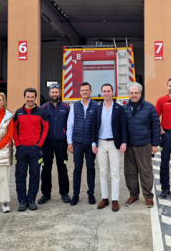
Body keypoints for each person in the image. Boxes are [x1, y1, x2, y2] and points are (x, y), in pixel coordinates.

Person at [123, 82, 160, 208]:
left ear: (140, 93)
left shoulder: (149, 108)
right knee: (130, 172)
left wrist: (155, 144)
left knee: (146, 171)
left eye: (136, 93)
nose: (134, 95)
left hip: (144, 144)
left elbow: (156, 126)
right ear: (129, 94)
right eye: (131, 93)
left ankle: (148, 197)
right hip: (129, 146)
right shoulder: (125, 109)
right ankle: (134, 195)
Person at [92, 83, 127, 212]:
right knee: (102, 172)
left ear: (112, 92)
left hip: (114, 144)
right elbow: (93, 127)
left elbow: (123, 126)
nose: (106, 93)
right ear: (102, 93)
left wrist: (124, 142)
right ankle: (105, 198)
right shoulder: (97, 108)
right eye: (104, 91)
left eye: (108, 91)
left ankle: (115, 200)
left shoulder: (119, 108)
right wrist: (93, 143)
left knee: (115, 172)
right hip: (100, 143)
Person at [13, 88, 49, 211]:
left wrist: (39, 144)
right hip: (21, 149)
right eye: (28, 97)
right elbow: (13, 129)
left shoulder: (41, 112)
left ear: (35, 98)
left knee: (34, 175)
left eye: (32, 97)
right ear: (24, 97)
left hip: (35, 150)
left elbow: (45, 128)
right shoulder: (18, 112)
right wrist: (17, 144)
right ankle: (22, 200)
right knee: (20, 176)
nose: (30, 99)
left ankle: (31, 199)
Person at [38, 84, 71, 204]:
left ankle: (65, 193)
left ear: (60, 93)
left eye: (56, 92)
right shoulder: (43, 108)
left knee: (62, 167)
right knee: (46, 168)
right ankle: (46, 194)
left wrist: (69, 141)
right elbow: (39, 126)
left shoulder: (66, 108)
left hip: (61, 142)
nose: (54, 94)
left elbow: (70, 125)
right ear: (49, 94)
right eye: (52, 92)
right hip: (47, 143)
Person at [67, 82, 99, 206]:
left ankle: (91, 194)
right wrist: (70, 142)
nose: (85, 92)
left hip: (91, 143)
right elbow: (70, 125)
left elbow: (98, 126)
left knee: (91, 168)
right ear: (80, 92)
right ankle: (75, 195)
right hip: (78, 143)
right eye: (82, 90)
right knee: (77, 168)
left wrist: (96, 142)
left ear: (91, 91)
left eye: (87, 90)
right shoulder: (75, 106)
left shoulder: (96, 106)